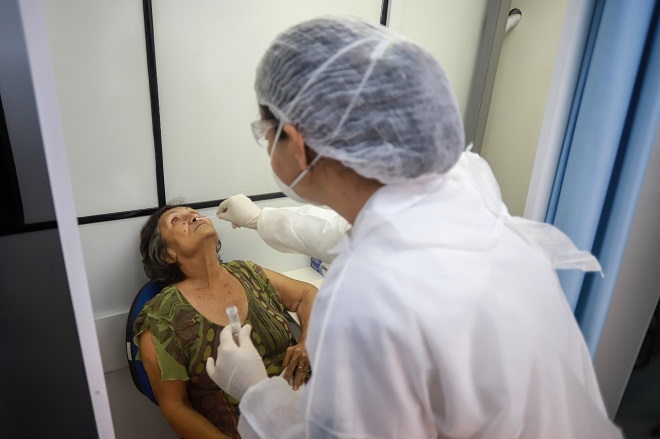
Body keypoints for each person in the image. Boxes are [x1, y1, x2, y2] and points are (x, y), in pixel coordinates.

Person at [206, 16, 623, 438]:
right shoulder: (465, 195)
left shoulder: (366, 299)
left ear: (297, 144)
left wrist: (256, 392)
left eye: (265, 133)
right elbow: (342, 235)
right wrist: (259, 219)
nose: (266, 145)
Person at [134, 203, 317, 439]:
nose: (192, 217)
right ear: (167, 254)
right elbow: (175, 407)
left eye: (194, 213)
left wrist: (307, 340)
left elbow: (307, 294)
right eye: (176, 220)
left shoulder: (248, 273)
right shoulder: (161, 317)